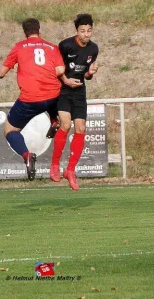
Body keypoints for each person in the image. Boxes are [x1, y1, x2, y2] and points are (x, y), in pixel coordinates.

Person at [0, 18, 65, 180]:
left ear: (24, 32)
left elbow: (1, 73)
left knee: (9, 130)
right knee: (51, 95)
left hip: (30, 99)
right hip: (53, 96)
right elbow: (60, 70)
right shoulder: (52, 47)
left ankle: (26, 155)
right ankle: (54, 119)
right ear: (40, 30)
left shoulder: (19, 47)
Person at [49, 14, 99, 190]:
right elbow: (56, 69)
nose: (86, 34)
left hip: (79, 92)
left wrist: (91, 72)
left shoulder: (93, 49)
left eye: (89, 30)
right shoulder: (65, 45)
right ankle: (55, 165)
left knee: (81, 128)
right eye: (82, 31)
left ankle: (70, 170)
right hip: (63, 89)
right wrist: (66, 81)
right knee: (65, 124)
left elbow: (86, 75)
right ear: (76, 31)